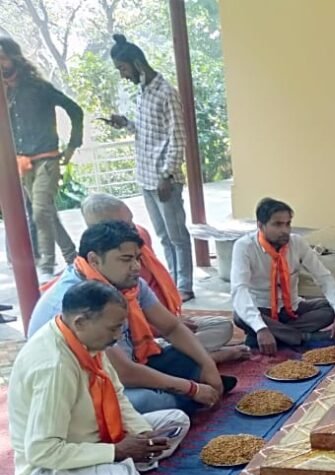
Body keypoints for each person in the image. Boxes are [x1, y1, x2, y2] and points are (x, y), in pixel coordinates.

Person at [9, 281, 190, 475]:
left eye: (119, 328)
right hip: (47, 468)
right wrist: (117, 451)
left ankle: (123, 463)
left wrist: (142, 433)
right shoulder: (54, 367)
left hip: (99, 438)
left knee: (177, 420)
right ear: (80, 322)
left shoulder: (83, 339)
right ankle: (121, 466)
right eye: (112, 329)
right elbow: (43, 451)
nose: (117, 336)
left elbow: (117, 395)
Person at [28, 221, 230, 416]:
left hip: (130, 363)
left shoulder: (129, 283)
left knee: (190, 358)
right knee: (152, 401)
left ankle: (187, 392)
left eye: (137, 258)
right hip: (86, 387)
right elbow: (123, 372)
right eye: (126, 259)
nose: (136, 266)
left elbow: (171, 327)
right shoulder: (77, 302)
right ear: (94, 260)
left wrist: (207, 364)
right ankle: (181, 400)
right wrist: (191, 388)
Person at [80, 193, 246, 363]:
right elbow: (122, 368)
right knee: (158, 363)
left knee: (220, 326)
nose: (136, 266)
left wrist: (171, 323)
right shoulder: (85, 291)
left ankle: (184, 357)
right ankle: (195, 357)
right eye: (127, 259)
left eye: (131, 221)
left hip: (157, 325)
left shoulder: (136, 258)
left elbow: (168, 324)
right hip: (133, 345)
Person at [106, 34, 194, 300]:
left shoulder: (166, 93)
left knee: (177, 236)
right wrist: (126, 124)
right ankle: (172, 284)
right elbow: (148, 132)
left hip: (164, 179)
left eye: (123, 69)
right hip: (146, 177)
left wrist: (167, 174)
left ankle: (184, 286)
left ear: (137, 63)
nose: (123, 75)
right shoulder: (143, 92)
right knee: (163, 236)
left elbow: (178, 137)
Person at [1, 37, 81, 275]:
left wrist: (72, 146)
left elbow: (75, 110)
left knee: (40, 211)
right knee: (47, 213)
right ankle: (72, 256)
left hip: (47, 158)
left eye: (2, 59)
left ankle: (47, 265)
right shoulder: (5, 92)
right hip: (22, 162)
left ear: (15, 58)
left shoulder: (38, 87)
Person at [231, 198, 335, 355]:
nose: (285, 230)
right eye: (277, 224)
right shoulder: (244, 246)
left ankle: (276, 336)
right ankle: (302, 337)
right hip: (262, 310)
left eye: (288, 224)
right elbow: (239, 289)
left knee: (332, 308)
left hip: (292, 309)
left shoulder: (297, 243)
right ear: (260, 225)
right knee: (239, 316)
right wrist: (261, 327)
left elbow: (323, 277)